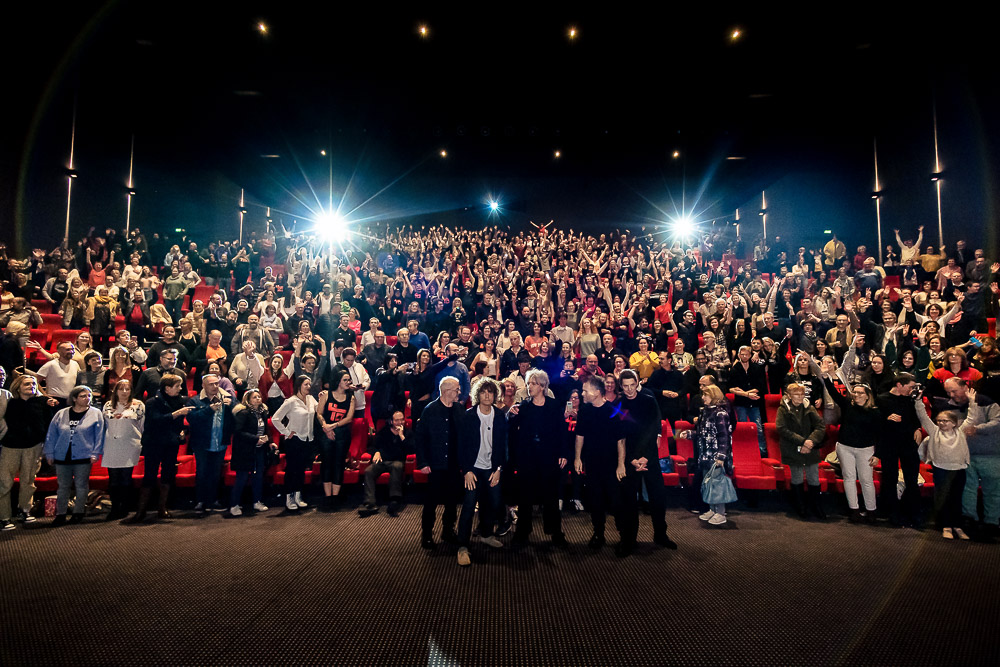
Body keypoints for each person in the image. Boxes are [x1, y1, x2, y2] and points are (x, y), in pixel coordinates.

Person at [508, 369, 569, 547]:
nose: (529, 387)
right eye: (528, 384)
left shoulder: (554, 405)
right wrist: (511, 416)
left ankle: (556, 533)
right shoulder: (524, 407)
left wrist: (564, 453)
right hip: (528, 457)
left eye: (532, 384)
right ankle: (522, 533)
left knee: (551, 496)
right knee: (525, 497)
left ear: (542, 386)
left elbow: (561, 431)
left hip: (549, 456)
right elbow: (513, 432)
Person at [617, 370, 677, 550]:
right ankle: (629, 540)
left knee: (658, 497)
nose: (628, 389)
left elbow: (653, 429)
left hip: (649, 456)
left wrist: (643, 457)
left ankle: (661, 535)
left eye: (631, 385)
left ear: (637, 383)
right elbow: (622, 433)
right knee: (629, 501)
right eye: (625, 386)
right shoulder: (619, 403)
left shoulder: (649, 400)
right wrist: (632, 459)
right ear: (621, 386)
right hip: (630, 458)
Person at [455, 377, 508, 566]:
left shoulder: (500, 415)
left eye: (490, 392)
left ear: (495, 395)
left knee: (493, 502)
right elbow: (461, 446)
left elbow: (503, 446)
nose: (487, 395)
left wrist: (499, 469)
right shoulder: (468, 416)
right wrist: (466, 470)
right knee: (469, 505)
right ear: (478, 395)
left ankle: (486, 534)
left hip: (492, 468)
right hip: (473, 469)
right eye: (483, 392)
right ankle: (462, 546)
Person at [574, 375, 627, 554]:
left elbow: (621, 440)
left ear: (597, 392)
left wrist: (621, 464)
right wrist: (577, 458)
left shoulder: (613, 410)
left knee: (616, 502)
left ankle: (624, 537)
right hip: (592, 463)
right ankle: (598, 534)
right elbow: (579, 435)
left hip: (611, 464)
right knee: (595, 501)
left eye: (585, 390)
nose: (582, 394)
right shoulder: (585, 410)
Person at [915, 389, 974, 540]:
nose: (941, 423)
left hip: (959, 469)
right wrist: (918, 401)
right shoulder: (934, 432)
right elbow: (923, 417)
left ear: (954, 423)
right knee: (943, 498)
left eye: (945, 421)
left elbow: (973, 417)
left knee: (956, 497)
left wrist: (972, 401)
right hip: (941, 468)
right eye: (939, 420)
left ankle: (957, 526)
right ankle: (946, 526)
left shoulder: (961, 432)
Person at [0, 376, 57, 530]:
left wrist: (44, 444)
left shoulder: (43, 403)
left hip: (33, 447)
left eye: (33, 384)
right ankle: (3, 517)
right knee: (5, 482)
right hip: (11, 446)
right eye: (26, 384)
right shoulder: (11, 403)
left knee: (29, 481)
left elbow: (48, 425)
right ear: (18, 387)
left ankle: (24, 510)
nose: (31, 386)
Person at [43, 386, 106, 525]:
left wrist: (96, 452)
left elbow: (99, 436)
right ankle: (61, 514)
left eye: (89, 396)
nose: (87, 398)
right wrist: (49, 452)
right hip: (62, 455)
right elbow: (51, 434)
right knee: (63, 486)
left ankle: (78, 513)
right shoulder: (61, 413)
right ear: (74, 398)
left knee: (81, 485)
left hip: (84, 455)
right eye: (83, 396)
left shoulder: (96, 413)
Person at [415, 376, 464, 549]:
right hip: (435, 463)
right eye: (457, 390)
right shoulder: (430, 409)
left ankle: (448, 530)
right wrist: (422, 462)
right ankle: (427, 534)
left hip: (453, 464)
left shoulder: (459, 409)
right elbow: (420, 438)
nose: (459, 392)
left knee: (452, 500)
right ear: (446, 391)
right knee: (431, 501)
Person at [823, 378, 881, 522]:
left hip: (866, 449)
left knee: (866, 480)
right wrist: (825, 378)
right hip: (845, 447)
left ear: (867, 395)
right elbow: (834, 393)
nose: (856, 395)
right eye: (854, 392)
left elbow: (880, 434)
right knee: (848, 478)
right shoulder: (847, 405)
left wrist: (878, 454)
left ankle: (871, 511)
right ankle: (854, 510)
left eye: (860, 393)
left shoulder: (875, 412)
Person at [679, 385, 734, 524]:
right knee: (708, 484)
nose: (702, 398)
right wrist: (690, 434)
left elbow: (724, 437)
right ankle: (712, 509)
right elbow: (703, 433)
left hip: (715, 456)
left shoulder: (720, 414)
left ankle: (720, 513)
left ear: (713, 396)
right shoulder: (705, 412)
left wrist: (721, 456)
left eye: (705, 395)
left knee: (717, 485)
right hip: (704, 454)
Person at [876, 373, 924, 527]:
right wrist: (886, 419)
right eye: (910, 387)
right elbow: (874, 422)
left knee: (912, 479)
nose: (912, 390)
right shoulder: (881, 399)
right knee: (890, 479)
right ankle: (893, 513)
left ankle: (914, 514)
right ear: (899, 385)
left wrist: (918, 428)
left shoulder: (911, 399)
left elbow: (916, 417)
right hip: (889, 444)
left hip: (908, 443)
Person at [775, 383, 828, 520]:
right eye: (796, 394)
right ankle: (800, 506)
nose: (799, 397)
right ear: (789, 395)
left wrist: (810, 441)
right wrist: (802, 441)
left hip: (810, 447)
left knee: (814, 478)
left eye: (801, 394)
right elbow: (782, 428)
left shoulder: (809, 408)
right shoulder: (783, 409)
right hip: (792, 448)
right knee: (797, 477)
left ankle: (815, 505)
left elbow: (820, 426)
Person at [186, 373, 235, 513]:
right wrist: (209, 410)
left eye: (217, 384)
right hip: (202, 443)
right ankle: (200, 501)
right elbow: (192, 419)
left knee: (215, 473)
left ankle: (213, 500)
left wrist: (231, 405)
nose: (215, 387)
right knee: (201, 472)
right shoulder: (195, 401)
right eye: (211, 384)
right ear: (203, 385)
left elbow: (237, 414)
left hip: (220, 442)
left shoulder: (225, 399)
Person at [271, 375, 319, 512]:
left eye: (309, 384)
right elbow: (275, 419)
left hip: (308, 438)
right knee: (292, 470)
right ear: (299, 386)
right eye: (306, 384)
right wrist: (286, 432)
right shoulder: (291, 401)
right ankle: (288, 498)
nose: (308, 387)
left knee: (301, 470)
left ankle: (298, 496)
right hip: (294, 439)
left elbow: (318, 410)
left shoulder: (310, 399)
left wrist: (322, 398)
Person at [102, 379, 145, 520]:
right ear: (116, 391)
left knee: (126, 478)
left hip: (129, 443)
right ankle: (114, 508)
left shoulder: (138, 405)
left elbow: (141, 424)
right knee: (114, 479)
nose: (125, 392)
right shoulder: (108, 405)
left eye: (127, 389)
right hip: (112, 444)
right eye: (121, 389)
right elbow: (106, 421)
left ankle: (125, 507)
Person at [229, 389, 277, 516]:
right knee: (242, 477)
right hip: (245, 450)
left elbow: (266, 429)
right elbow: (238, 432)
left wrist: (270, 441)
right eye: (255, 397)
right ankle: (234, 504)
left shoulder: (263, 412)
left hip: (260, 449)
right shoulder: (243, 413)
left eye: (259, 396)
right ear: (248, 400)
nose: (258, 399)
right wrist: (256, 439)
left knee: (258, 476)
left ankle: (257, 501)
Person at [317, 370, 356, 509]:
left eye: (349, 380)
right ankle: (328, 497)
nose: (348, 383)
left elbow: (349, 418)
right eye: (345, 380)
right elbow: (319, 413)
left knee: (339, 463)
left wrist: (333, 426)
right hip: (325, 432)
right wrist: (325, 427)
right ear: (338, 381)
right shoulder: (326, 395)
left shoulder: (351, 397)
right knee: (327, 463)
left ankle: (335, 497)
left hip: (342, 432)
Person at [360, 409, 409, 517]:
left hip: (397, 461)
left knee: (397, 466)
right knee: (369, 470)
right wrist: (376, 452)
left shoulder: (407, 432)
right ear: (391, 421)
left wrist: (402, 436)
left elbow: (411, 449)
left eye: (402, 420)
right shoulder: (384, 431)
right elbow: (373, 446)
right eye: (397, 420)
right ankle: (370, 504)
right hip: (383, 461)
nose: (400, 422)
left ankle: (394, 500)